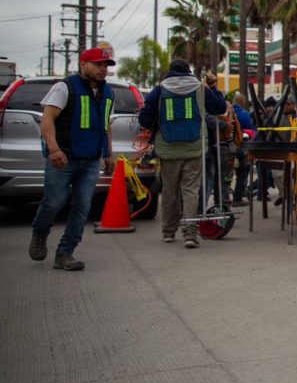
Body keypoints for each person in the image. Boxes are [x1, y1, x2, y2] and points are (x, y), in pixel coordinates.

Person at [29, 45, 118, 271]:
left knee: (82, 206)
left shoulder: (108, 93)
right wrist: (54, 150)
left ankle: (65, 252)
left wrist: (108, 153)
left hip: (90, 160)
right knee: (54, 203)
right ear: (83, 65)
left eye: (106, 65)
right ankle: (40, 233)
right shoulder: (65, 87)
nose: (103, 70)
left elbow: (105, 125)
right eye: (98, 64)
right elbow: (47, 119)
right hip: (63, 158)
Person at [138, 59, 227, 248]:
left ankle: (169, 232)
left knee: (170, 191)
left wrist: (157, 121)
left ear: (170, 72)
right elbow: (220, 107)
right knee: (190, 191)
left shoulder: (159, 90)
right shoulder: (200, 88)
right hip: (194, 148)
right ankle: (190, 235)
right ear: (188, 72)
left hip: (167, 150)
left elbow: (144, 119)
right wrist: (214, 87)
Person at [231, 93, 255, 207]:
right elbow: (250, 132)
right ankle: (237, 197)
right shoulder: (244, 114)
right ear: (242, 102)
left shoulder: (227, 112)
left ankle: (223, 198)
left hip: (228, 148)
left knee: (226, 175)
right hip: (241, 148)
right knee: (242, 173)